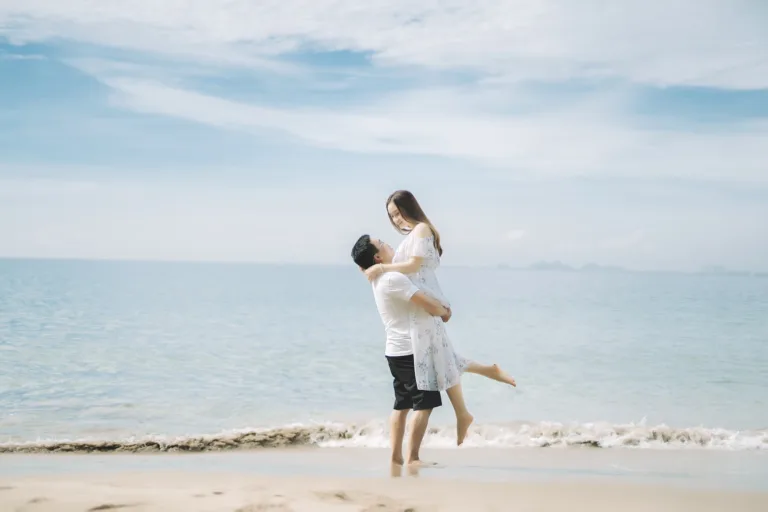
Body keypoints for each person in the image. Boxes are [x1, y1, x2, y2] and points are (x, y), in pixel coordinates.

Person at [364, 190, 516, 445]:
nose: (397, 219)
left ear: (409, 208)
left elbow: (413, 266)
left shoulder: (422, 229)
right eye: (392, 216)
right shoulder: (413, 234)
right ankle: (473, 398)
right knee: (445, 359)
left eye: (398, 213)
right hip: (421, 308)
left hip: (427, 304)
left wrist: (381, 267)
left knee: (443, 360)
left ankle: (465, 411)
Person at [351, 235, 450, 467]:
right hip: (411, 350)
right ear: (378, 256)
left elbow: (362, 266)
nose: (388, 244)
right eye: (382, 243)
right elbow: (426, 303)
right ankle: (413, 458)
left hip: (395, 351)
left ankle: (396, 458)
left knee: (402, 404)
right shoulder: (393, 278)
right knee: (425, 405)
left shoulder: (376, 277)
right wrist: (445, 312)